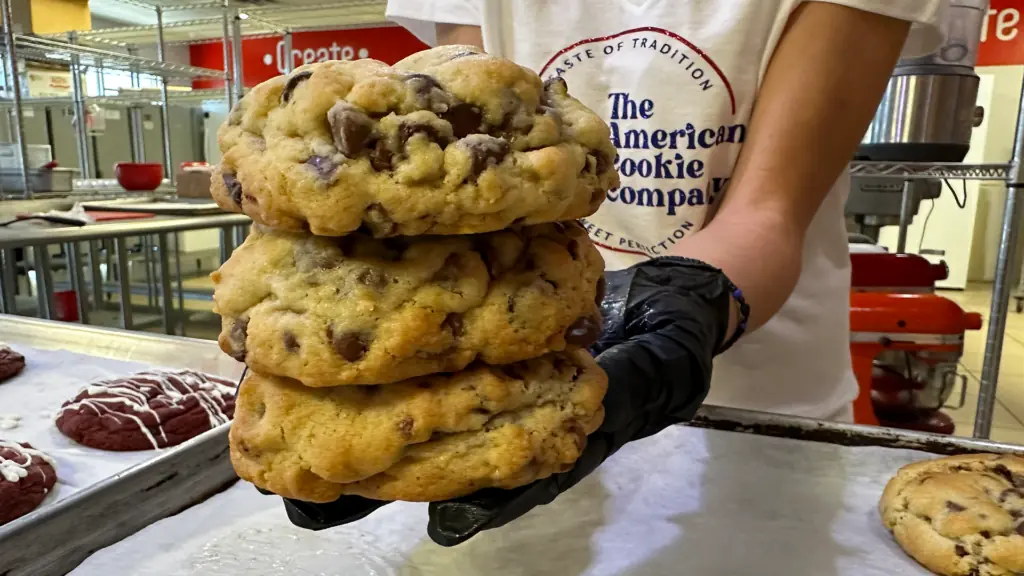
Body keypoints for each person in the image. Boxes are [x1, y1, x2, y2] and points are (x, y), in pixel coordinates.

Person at [280, 0, 948, 546]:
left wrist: (694, 298)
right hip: (518, 383)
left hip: (761, 412)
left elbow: (771, 209)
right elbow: (459, 182)